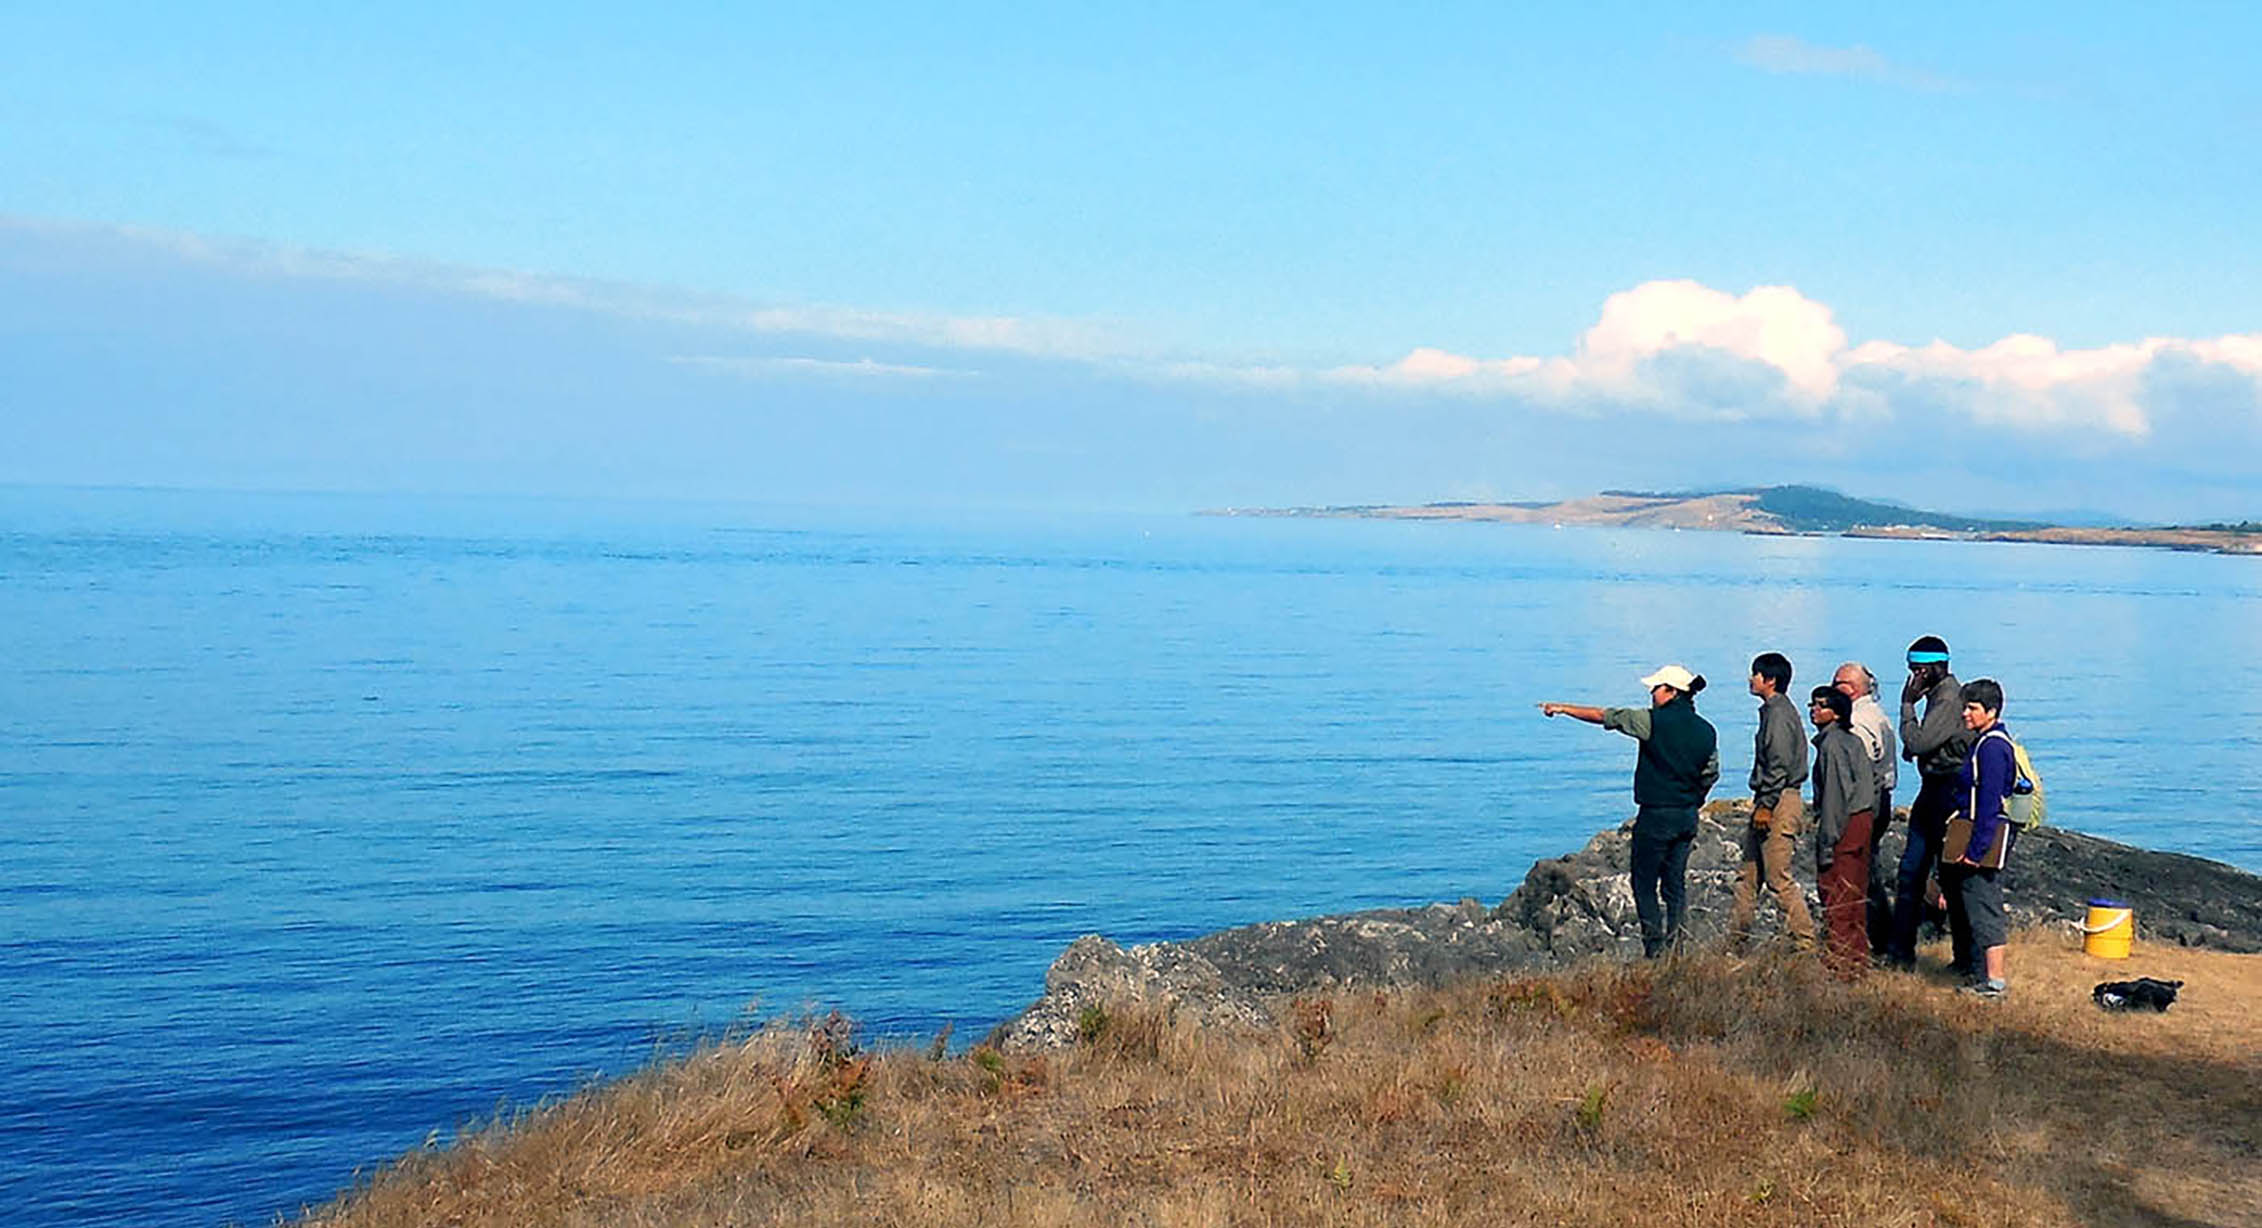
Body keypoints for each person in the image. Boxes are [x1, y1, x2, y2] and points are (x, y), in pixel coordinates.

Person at [1538, 665, 1721, 958]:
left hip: (1656, 814)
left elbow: (1604, 716)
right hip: (1687, 816)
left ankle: (1654, 950)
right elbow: (1711, 773)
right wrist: (1694, 800)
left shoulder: (1650, 721)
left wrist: (1562, 708)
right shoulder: (1707, 730)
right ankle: (1678, 948)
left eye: (1656, 688)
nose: (1651, 693)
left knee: (1644, 882)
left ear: (1672, 691)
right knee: (1675, 883)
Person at [1888, 636, 1976, 973]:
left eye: (1918, 671)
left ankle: (1953, 957)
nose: (1913, 679)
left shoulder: (1948, 699)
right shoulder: (1942, 696)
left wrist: (1907, 706)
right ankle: (1906, 952)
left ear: (1935, 668)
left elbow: (1919, 740)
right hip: (1935, 787)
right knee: (1919, 871)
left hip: (1944, 792)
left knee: (1932, 874)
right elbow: (1922, 744)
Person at [1729, 652, 1814, 951]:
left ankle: (1805, 943)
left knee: (1778, 878)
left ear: (1770, 680)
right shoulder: (1775, 711)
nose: (1750, 679)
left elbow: (1778, 762)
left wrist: (1766, 804)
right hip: (1772, 797)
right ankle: (1736, 941)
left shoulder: (1778, 715)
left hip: (1779, 800)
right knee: (1748, 876)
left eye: (1755, 674)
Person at [1946, 678, 2017, 998]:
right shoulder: (1985, 741)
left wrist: (1976, 850)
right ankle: (1983, 974)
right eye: (1965, 707)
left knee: (1984, 903)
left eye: (1972, 708)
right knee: (1974, 903)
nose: (1965, 714)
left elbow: (1988, 803)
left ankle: (1995, 981)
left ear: (1992, 710)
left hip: (1980, 836)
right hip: (1972, 830)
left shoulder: (1991, 747)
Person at [1807, 685, 1878, 979]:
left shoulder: (1833, 745)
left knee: (1837, 894)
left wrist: (1826, 843)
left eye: (1821, 705)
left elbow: (1835, 797)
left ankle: (1840, 965)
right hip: (1862, 821)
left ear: (1836, 712)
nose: (1813, 709)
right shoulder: (1852, 741)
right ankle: (1858, 960)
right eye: (1812, 703)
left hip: (1846, 824)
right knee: (1855, 893)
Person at [1833, 662, 1899, 959]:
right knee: (1868, 868)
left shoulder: (1859, 721)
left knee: (1859, 870)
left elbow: (1858, 769)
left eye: (1837, 684)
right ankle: (1879, 936)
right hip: (1880, 797)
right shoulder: (1876, 715)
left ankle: (1872, 937)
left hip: (1866, 802)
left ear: (1852, 688)